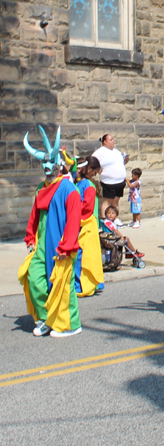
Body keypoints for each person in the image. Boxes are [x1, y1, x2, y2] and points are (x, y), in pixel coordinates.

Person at [19, 126, 83, 338]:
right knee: (34, 278)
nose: (47, 166)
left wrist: (67, 246)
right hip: (41, 244)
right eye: (44, 163)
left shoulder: (69, 190)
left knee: (62, 285)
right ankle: (46, 319)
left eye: (51, 163)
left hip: (61, 244)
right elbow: (34, 217)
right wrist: (30, 238)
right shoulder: (40, 188)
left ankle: (70, 324)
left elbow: (74, 221)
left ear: (59, 165)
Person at [75, 156, 105, 296]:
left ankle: (83, 284)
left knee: (84, 256)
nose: (95, 175)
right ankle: (92, 282)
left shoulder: (88, 186)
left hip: (86, 224)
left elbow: (86, 208)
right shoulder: (81, 184)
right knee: (86, 255)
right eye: (95, 172)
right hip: (83, 223)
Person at [93, 134, 127, 224]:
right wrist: (98, 170)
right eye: (111, 139)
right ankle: (105, 219)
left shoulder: (116, 151)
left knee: (115, 202)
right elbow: (92, 161)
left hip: (120, 181)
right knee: (107, 201)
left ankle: (116, 218)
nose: (113, 141)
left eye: (113, 139)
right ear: (105, 141)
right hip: (109, 182)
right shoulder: (100, 152)